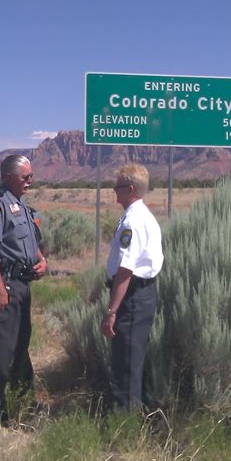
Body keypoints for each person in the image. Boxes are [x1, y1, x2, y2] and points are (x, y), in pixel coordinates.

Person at [0, 154, 47, 423]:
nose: (30, 181)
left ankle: (23, 400)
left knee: (20, 347)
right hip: (4, 286)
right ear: (9, 178)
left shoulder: (22, 207)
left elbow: (34, 244)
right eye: (25, 177)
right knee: (4, 349)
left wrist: (42, 261)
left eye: (31, 176)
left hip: (21, 285)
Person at [100, 164, 164, 412]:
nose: (114, 191)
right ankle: (133, 417)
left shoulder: (133, 221)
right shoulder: (141, 215)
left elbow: (126, 270)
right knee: (133, 359)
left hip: (132, 297)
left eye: (117, 187)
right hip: (141, 295)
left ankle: (124, 428)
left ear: (130, 189)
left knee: (126, 363)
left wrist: (111, 311)